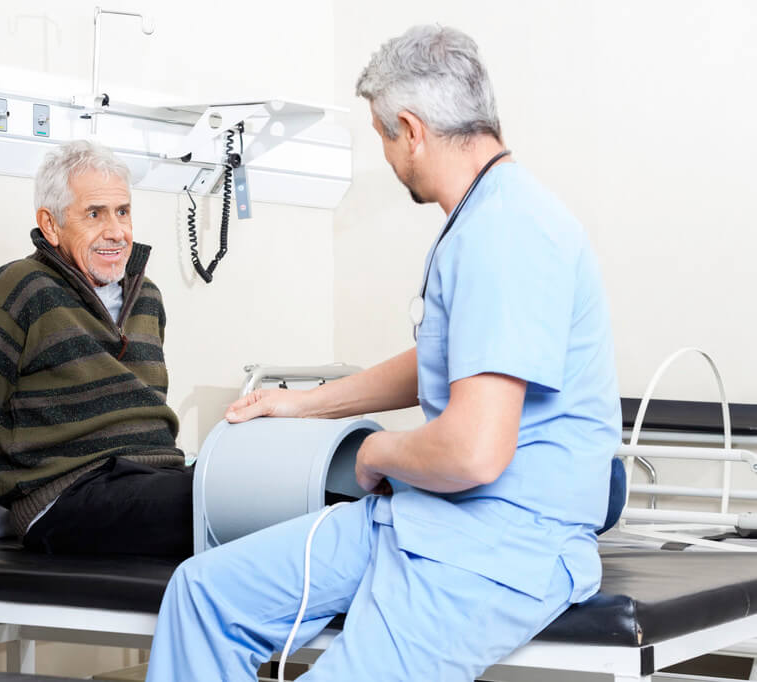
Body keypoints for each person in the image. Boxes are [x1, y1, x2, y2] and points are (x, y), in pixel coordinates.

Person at [144, 25, 621, 681]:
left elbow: (471, 452)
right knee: (202, 596)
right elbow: (443, 358)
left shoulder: (507, 233)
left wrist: (372, 452)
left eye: (381, 136)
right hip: (420, 517)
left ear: (410, 129)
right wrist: (305, 406)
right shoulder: (485, 218)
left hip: (501, 545)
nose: (389, 155)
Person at [0, 140, 193, 560]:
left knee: (258, 489)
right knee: (222, 503)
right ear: (50, 224)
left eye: (123, 211)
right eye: (94, 214)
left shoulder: (148, 297)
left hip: (154, 477)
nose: (117, 232)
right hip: (67, 494)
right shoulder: (18, 291)